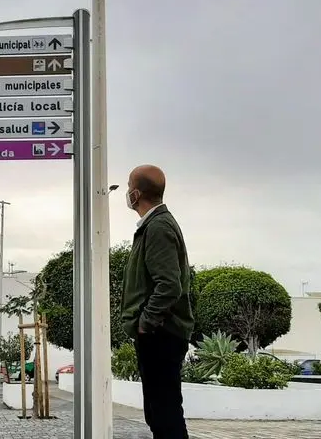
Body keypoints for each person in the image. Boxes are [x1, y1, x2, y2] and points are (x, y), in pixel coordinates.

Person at [120, 164, 193, 439]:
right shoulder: (154, 225)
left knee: (165, 413)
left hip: (161, 333)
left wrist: (145, 323)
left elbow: (169, 285)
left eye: (128, 187)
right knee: (159, 412)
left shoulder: (159, 226)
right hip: (160, 333)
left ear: (136, 194)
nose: (127, 192)